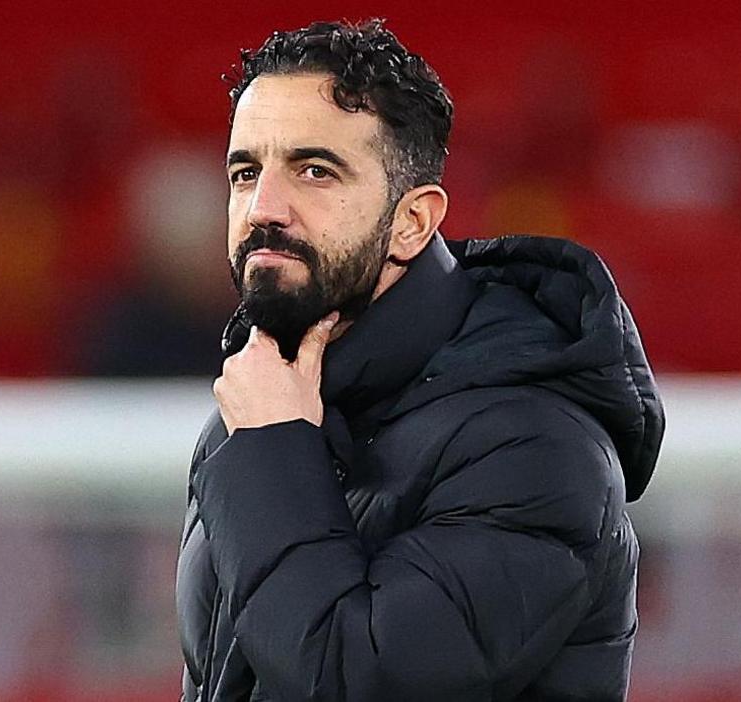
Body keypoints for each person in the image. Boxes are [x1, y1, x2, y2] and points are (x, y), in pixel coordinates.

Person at [176, 19, 664, 702]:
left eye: (315, 171)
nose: (264, 209)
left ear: (413, 222)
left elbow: (362, 680)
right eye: (246, 172)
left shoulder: (535, 446)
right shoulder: (260, 409)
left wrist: (275, 450)